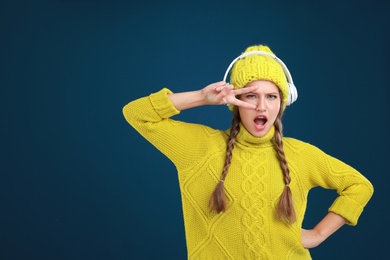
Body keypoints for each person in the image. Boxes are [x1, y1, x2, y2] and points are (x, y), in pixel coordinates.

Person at [122, 44, 374, 259]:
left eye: (272, 96)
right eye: (251, 95)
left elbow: (359, 186)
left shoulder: (301, 155)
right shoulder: (200, 148)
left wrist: (318, 235)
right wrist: (202, 96)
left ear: (283, 102)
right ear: (234, 102)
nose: (262, 106)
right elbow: (137, 115)